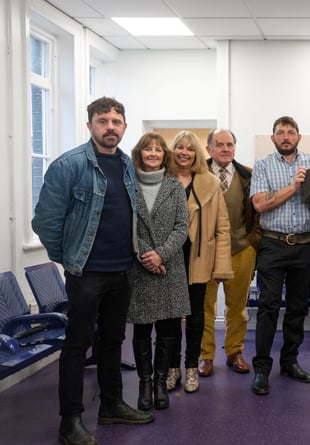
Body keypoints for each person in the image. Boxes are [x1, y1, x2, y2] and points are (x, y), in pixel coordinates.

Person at [32, 97, 154, 445]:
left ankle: (112, 404)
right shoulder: (68, 166)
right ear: (90, 126)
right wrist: (70, 259)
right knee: (77, 345)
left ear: (125, 127)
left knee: (114, 341)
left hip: (121, 270)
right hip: (86, 274)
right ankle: (69, 421)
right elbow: (45, 222)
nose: (110, 127)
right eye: (103, 121)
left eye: (116, 121)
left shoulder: (128, 165)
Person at [250, 116, 310, 395]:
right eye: (280, 133)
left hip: (305, 245)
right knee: (267, 307)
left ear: (298, 137)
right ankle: (261, 369)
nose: (285, 137)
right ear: (273, 138)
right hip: (273, 244)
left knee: (297, 307)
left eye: (290, 132)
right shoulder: (262, 166)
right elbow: (260, 204)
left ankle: (290, 362)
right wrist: (294, 187)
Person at [126, 132, 190, 411]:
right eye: (147, 149)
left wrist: (161, 254)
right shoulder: (127, 186)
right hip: (139, 268)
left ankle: (161, 383)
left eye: (158, 150)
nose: (153, 153)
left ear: (165, 155)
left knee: (169, 329)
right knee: (141, 329)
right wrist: (145, 256)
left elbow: (182, 227)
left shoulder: (175, 187)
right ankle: (145, 383)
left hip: (169, 267)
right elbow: (124, 226)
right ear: (139, 154)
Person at [167, 130, 234, 394]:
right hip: (168, 259)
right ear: (173, 151)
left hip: (199, 260)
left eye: (190, 148)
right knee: (170, 318)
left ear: (198, 152)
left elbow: (222, 229)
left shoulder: (210, 183)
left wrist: (221, 267)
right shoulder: (162, 180)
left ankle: (192, 367)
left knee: (196, 317)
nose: (184, 152)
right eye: (179, 147)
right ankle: (172, 368)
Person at [198, 129, 261, 377]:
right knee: (205, 307)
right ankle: (206, 356)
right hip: (205, 253)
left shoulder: (248, 175)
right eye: (219, 144)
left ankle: (234, 352)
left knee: (238, 307)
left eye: (230, 144)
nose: (225, 149)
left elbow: (258, 214)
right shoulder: (197, 174)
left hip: (241, 250)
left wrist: (252, 243)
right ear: (209, 149)